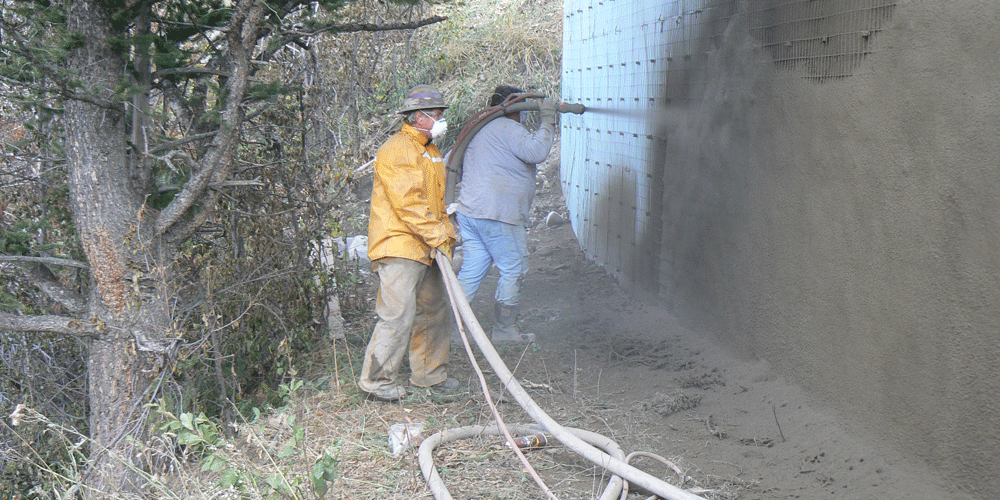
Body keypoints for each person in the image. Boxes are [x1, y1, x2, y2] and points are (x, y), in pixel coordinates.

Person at [358, 84, 459, 402]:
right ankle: (376, 382)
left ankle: (429, 375)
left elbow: (436, 203)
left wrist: (446, 236)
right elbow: (409, 203)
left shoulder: (429, 151)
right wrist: (438, 235)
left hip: (425, 244)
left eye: (443, 113)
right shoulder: (399, 148)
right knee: (398, 314)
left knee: (433, 311)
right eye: (437, 114)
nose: (442, 119)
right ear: (418, 116)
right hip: (400, 244)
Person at [455, 85, 557, 342]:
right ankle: (504, 330)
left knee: (472, 268)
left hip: (471, 212)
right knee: (514, 268)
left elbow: (452, 161)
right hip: (497, 214)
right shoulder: (509, 128)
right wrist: (548, 120)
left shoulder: (478, 129)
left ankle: (451, 329)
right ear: (514, 108)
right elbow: (537, 152)